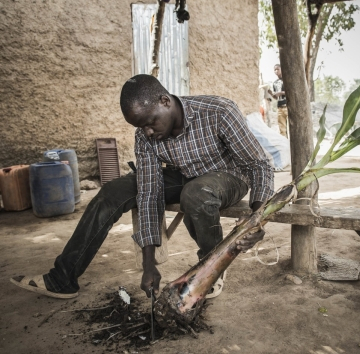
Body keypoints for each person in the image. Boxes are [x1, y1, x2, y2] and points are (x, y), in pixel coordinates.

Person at [10, 75, 274, 300]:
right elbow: (149, 193)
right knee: (112, 193)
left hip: (227, 176)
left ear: (165, 101)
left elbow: (259, 164)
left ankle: (211, 267)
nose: (147, 132)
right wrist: (149, 265)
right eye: (140, 127)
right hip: (182, 174)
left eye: (150, 122)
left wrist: (256, 219)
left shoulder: (218, 111)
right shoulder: (145, 135)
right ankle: (63, 278)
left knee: (196, 193)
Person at [269, 64, 288, 138]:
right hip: (279, 107)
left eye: (278, 69)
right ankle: (285, 145)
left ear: (281, 69)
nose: (276, 71)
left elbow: (291, 92)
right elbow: (276, 97)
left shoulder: (287, 80)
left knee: (290, 128)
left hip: (287, 106)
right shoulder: (275, 83)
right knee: (282, 129)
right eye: (275, 70)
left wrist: (280, 93)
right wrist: (271, 93)